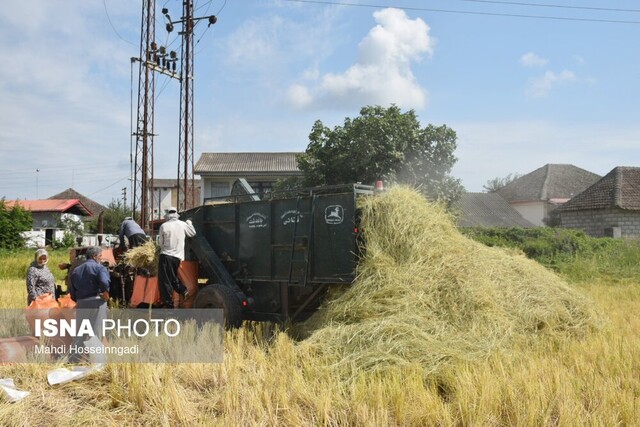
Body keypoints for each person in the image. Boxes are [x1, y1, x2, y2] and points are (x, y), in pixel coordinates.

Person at [69, 246, 110, 362]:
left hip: (81, 303)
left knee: (80, 332)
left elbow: (72, 291)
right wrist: (105, 292)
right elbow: (103, 282)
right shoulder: (99, 268)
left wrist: (79, 300)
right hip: (97, 302)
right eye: (100, 256)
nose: (101, 259)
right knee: (96, 332)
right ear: (94, 256)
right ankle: (96, 361)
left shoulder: (76, 269)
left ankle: (73, 360)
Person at [158, 207, 196, 308]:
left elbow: (160, 243)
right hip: (177, 258)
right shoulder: (182, 224)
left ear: (167, 215)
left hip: (165, 256)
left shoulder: (164, 226)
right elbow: (192, 233)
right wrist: (189, 223)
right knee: (172, 277)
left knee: (165, 281)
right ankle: (183, 290)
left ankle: (169, 305)